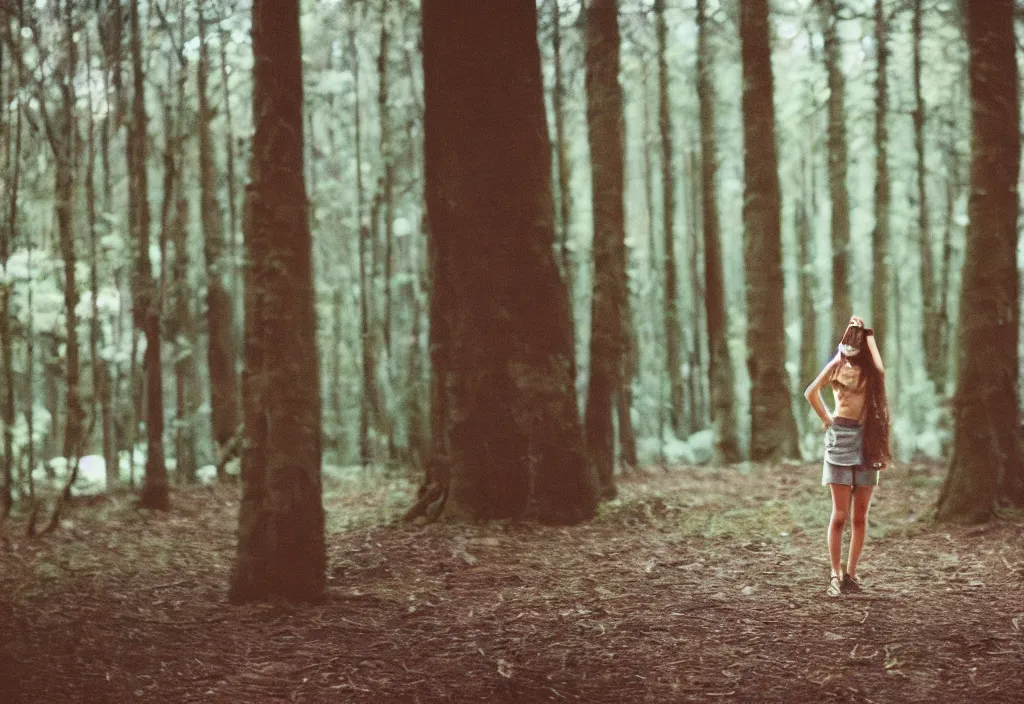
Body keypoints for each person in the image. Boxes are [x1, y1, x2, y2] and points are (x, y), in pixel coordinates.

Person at [803, 316, 891, 596]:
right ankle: (835, 573)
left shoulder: (870, 372)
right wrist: (826, 418)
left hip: (868, 441)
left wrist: (869, 334)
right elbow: (811, 392)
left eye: (855, 349)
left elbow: (880, 369)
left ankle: (851, 574)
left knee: (860, 517)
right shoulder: (836, 365)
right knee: (840, 514)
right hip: (839, 439)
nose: (849, 354)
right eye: (846, 348)